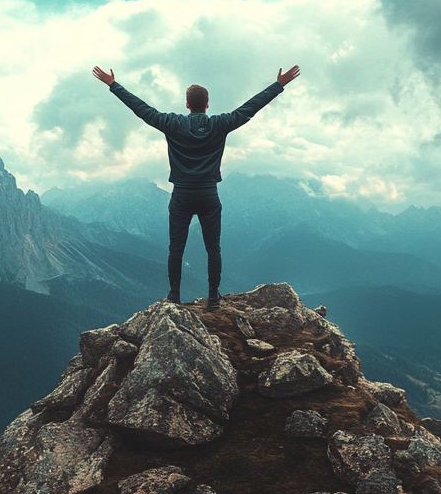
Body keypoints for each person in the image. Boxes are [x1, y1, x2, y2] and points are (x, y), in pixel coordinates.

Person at [92, 64, 300, 310]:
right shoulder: (220, 124)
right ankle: (213, 298)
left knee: (176, 247)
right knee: (213, 247)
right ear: (207, 104)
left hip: (181, 194)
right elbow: (250, 108)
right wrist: (278, 85)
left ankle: (174, 295)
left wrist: (113, 85)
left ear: (187, 105)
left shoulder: (172, 123)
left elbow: (142, 109)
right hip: (209, 194)